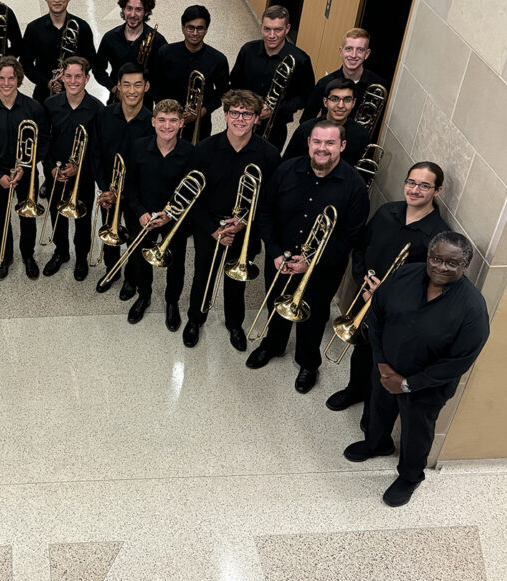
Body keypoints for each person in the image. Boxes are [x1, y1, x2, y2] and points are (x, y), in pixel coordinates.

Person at [343, 231, 489, 507]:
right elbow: (377, 315)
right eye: (436, 259)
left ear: (465, 265)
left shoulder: (472, 308)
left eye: (451, 263)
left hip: (426, 387)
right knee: (378, 407)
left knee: (416, 432)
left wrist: (408, 383)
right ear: (429, 256)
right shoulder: (405, 275)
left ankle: (410, 476)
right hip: (386, 368)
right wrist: (383, 364)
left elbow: (460, 361)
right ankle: (377, 443)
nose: (441, 267)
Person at [248, 121, 369, 393]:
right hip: (282, 259)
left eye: (329, 143)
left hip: (322, 268)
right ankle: (273, 345)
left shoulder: (355, 187)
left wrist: (310, 261)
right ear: (309, 143)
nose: (322, 148)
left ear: (342, 146)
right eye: (317, 142)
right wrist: (276, 253)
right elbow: (265, 214)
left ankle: (307, 362)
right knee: (277, 303)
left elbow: (349, 238)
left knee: (313, 316)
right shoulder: (286, 171)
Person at [326, 161, 451, 423]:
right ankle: (354, 390)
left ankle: (372, 413)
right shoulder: (386, 212)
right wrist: (362, 280)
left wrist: (386, 294)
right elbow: (361, 247)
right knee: (361, 347)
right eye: (411, 182)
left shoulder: (438, 236)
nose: (415, 190)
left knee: (381, 361)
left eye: (424, 185)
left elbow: (431, 285)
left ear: (437, 191)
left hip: (397, 311)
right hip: (366, 295)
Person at [184, 90, 280, 350]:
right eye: (235, 113)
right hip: (210, 226)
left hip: (244, 230)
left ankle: (234, 324)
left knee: (237, 280)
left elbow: (270, 202)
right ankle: (195, 319)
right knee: (203, 275)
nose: (240, 119)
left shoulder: (269, 155)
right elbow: (193, 196)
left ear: (256, 119)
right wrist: (214, 229)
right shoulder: (204, 150)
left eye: (247, 114)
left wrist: (243, 223)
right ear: (225, 115)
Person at [0, 56, 50, 280]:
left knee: (28, 218)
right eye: (1, 78)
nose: (6, 83)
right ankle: (4, 257)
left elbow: (44, 142)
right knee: (1, 218)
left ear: (19, 79)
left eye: (11, 78)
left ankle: (28, 256)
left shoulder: (34, 108)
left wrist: (25, 168)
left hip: (26, 173)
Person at [122, 99, 194, 329]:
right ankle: (144, 295)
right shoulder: (138, 147)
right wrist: (141, 212)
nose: (167, 125)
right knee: (140, 258)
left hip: (174, 218)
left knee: (177, 263)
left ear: (182, 123)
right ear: (153, 122)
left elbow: (192, 192)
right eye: (162, 120)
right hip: (143, 216)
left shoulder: (191, 153)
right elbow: (130, 186)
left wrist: (171, 214)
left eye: (173, 120)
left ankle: (171, 302)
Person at [91, 63, 155, 296]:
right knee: (109, 232)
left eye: (138, 85)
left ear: (146, 87)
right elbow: (96, 152)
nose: (131, 90)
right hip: (110, 190)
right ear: (117, 87)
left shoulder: (153, 123)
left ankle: (131, 277)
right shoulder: (105, 115)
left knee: (136, 239)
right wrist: (104, 188)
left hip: (138, 195)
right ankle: (111, 269)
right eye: (126, 84)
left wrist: (127, 194)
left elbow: (151, 167)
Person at [41, 56, 103, 280]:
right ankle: (61, 252)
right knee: (57, 214)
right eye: (68, 76)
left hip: (83, 176)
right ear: (61, 77)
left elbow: (98, 147)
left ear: (87, 78)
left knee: (82, 220)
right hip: (55, 173)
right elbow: (44, 141)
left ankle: (80, 257)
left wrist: (80, 167)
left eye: (78, 76)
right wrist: (50, 168)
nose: (73, 81)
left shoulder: (97, 108)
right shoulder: (49, 105)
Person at [230, 5, 315, 150]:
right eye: (267, 29)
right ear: (261, 26)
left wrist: (275, 109)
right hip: (241, 122)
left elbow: (305, 97)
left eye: (278, 30)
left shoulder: (300, 60)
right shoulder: (247, 50)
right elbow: (234, 85)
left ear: (287, 29)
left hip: (275, 128)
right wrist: (248, 108)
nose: (271, 35)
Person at [154, 5, 231, 143]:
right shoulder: (165, 53)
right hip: (167, 120)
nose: (195, 33)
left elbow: (223, 92)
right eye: (190, 28)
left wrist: (202, 111)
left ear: (206, 30)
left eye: (200, 28)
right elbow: (155, 84)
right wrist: (167, 111)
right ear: (183, 28)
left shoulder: (218, 59)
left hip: (200, 123)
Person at [20, 0, 97, 102]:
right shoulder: (34, 28)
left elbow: (90, 60)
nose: (57, 0)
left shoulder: (82, 27)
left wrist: (72, 78)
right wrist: (47, 82)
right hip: (43, 93)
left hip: (75, 93)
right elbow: (25, 63)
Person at [94, 0, 167, 102]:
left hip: (144, 102)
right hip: (116, 100)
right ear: (123, 9)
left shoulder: (157, 40)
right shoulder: (110, 37)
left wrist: (150, 92)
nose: (132, 15)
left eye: (138, 9)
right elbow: (98, 69)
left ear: (146, 12)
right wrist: (114, 89)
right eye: (129, 8)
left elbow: (164, 75)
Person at [300, 28, 387, 123]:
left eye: (360, 50)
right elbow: (306, 120)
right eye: (349, 49)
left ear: (367, 54)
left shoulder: (378, 86)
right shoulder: (324, 83)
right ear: (341, 51)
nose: (353, 55)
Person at [281, 78, 370, 166]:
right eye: (335, 99)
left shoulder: (361, 136)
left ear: (353, 103)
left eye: (347, 100)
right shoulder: (305, 130)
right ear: (325, 102)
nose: (340, 105)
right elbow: (287, 166)